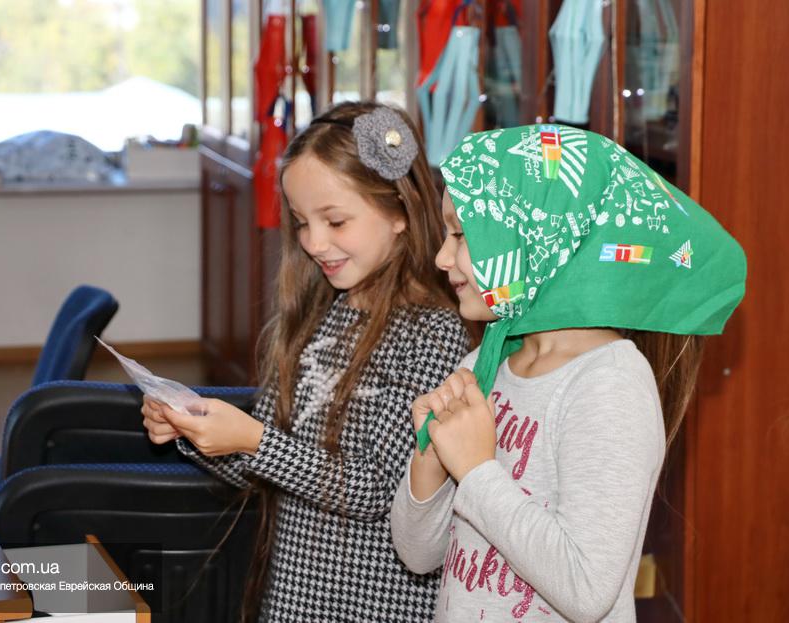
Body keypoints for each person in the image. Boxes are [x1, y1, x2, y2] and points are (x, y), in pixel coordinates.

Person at [391, 125, 746, 621]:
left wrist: (475, 471)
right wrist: (431, 458)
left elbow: (586, 588)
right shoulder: (483, 366)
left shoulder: (610, 383)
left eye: (462, 234)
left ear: (539, 237)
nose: (441, 257)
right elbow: (418, 554)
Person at [142, 101, 470, 622]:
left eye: (335, 220)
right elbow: (273, 466)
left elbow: (381, 490)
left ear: (400, 212)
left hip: (371, 610)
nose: (315, 243)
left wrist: (252, 439)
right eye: (301, 223)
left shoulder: (432, 334)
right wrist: (196, 429)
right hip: (297, 601)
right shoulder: (323, 313)